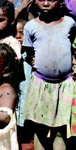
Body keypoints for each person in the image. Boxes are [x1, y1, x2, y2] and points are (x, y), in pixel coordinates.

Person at [22, 0, 76, 149]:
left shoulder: (69, 23)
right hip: (41, 85)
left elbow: (72, 46)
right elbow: (28, 52)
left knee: (61, 129)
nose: (45, 3)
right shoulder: (31, 26)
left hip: (64, 85)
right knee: (40, 128)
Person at [15, 18, 34, 150]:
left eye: (22, 33)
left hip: (28, 103)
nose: (18, 36)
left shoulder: (32, 56)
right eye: (15, 33)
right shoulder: (11, 55)